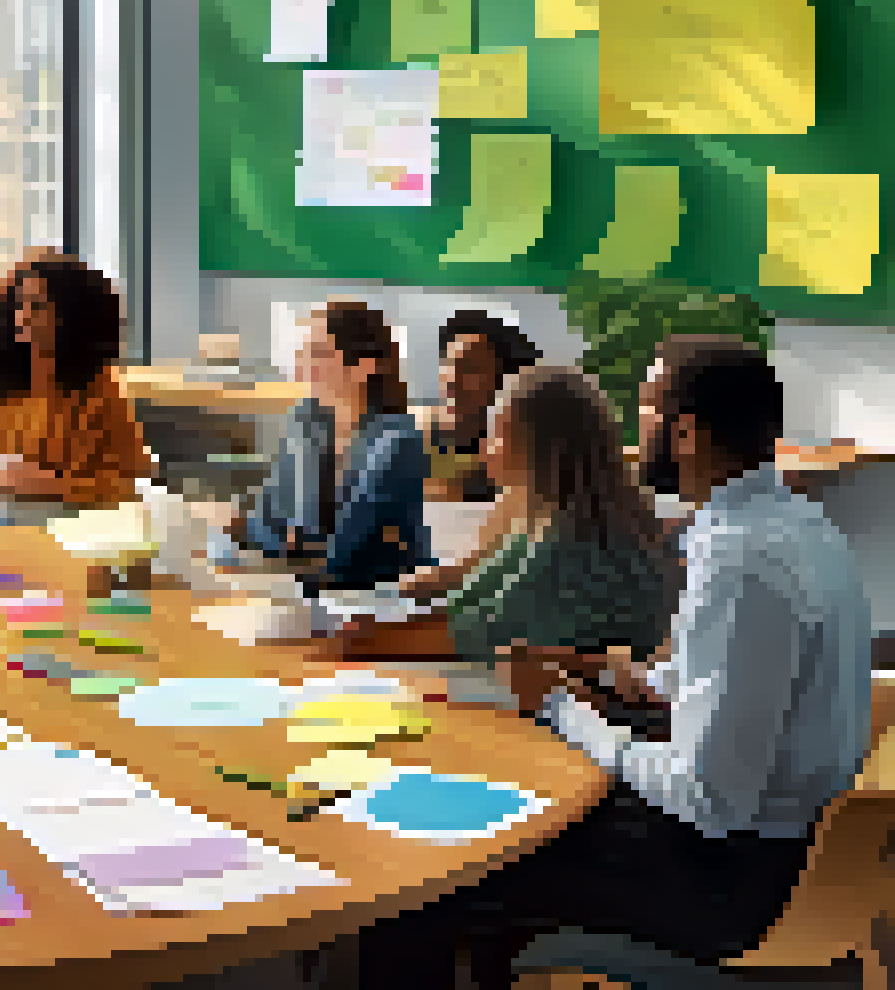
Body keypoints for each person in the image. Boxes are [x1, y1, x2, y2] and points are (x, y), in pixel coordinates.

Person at [359, 337, 873, 990]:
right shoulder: (798, 526)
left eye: (647, 411)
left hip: (735, 882)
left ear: (684, 432)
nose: (634, 432)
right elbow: (726, 681)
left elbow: (708, 796)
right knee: (502, 835)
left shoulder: (742, 562)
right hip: (772, 850)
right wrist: (604, 676)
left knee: (424, 878)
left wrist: (566, 712)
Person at [347, 365, 675, 665]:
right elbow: (463, 601)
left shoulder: (570, 542)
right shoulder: (559, 520)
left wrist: (337, 632)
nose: (484, 448)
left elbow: (451, 635)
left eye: (497, 434)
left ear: (539, 446)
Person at [0, 251, 153, 508]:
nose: (22, 317)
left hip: (71, 525)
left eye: (37, 306)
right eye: (20, 304)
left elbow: (130, 481)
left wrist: (51, 485)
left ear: (71, 316)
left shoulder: (100, 389)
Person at [233, 300, 429, 591]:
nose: (301, 364)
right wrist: (284, 539)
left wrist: (285, 540)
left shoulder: (397, 442)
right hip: (304, 588)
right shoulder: (305, 422)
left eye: (318, 353)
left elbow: (347, 554)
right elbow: (264, 519)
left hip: (374, 599)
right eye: (303, 352)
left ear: (364, 367)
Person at [426, 311, 542, 502]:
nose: (452, 379)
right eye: (448, 364)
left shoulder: (523, 454)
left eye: (471, 369)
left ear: (503, 380)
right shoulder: (413, 438)